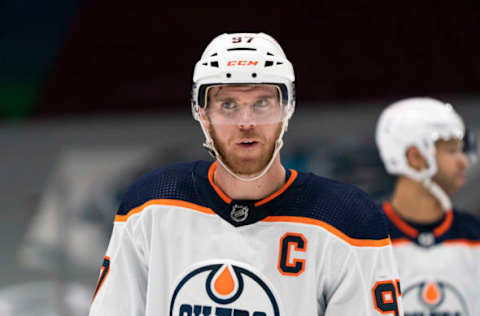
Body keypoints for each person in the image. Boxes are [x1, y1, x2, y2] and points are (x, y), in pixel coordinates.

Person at [89, 32, 403, 315]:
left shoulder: (346, 218)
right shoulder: (152, 203)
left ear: (287, 107)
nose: (246, 122)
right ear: (202, 112)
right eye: (228, 104)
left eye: (262, 103)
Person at [375, 97, 480, 315]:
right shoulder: (362, 239)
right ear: (414, 157)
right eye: (452, 151)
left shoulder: (474, 236)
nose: (464, 161)